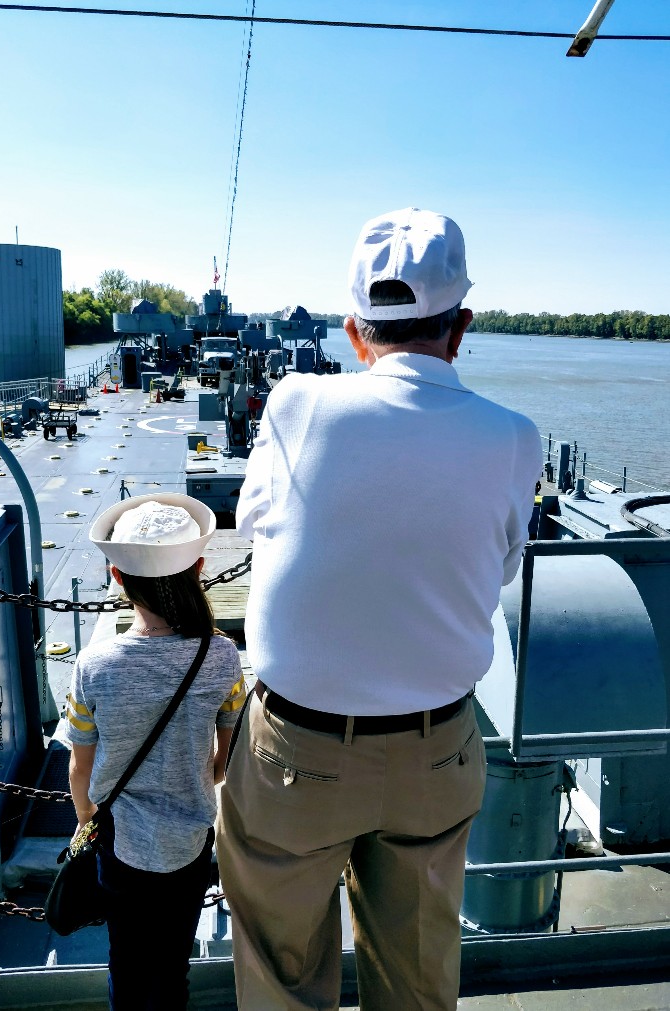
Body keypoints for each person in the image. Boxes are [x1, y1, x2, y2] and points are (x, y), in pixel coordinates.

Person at [216, 207, 543, 1010]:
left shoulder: (296, 403)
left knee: (282, 976)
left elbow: (252, 522)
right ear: (461, 327)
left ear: (355, 330)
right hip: (437, 751)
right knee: (418, 979)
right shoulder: (515, 437)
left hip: (299, 752)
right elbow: (498, 572)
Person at [66, 493, 246, 1011]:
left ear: (119, 579)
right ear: (199, 568)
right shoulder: (221, 656)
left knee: (126, 962)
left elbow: (81, 768)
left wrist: (85, 816)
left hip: (119, 838)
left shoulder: (95, 665)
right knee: (172, 967)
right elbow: (223, 759)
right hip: (190, 837)